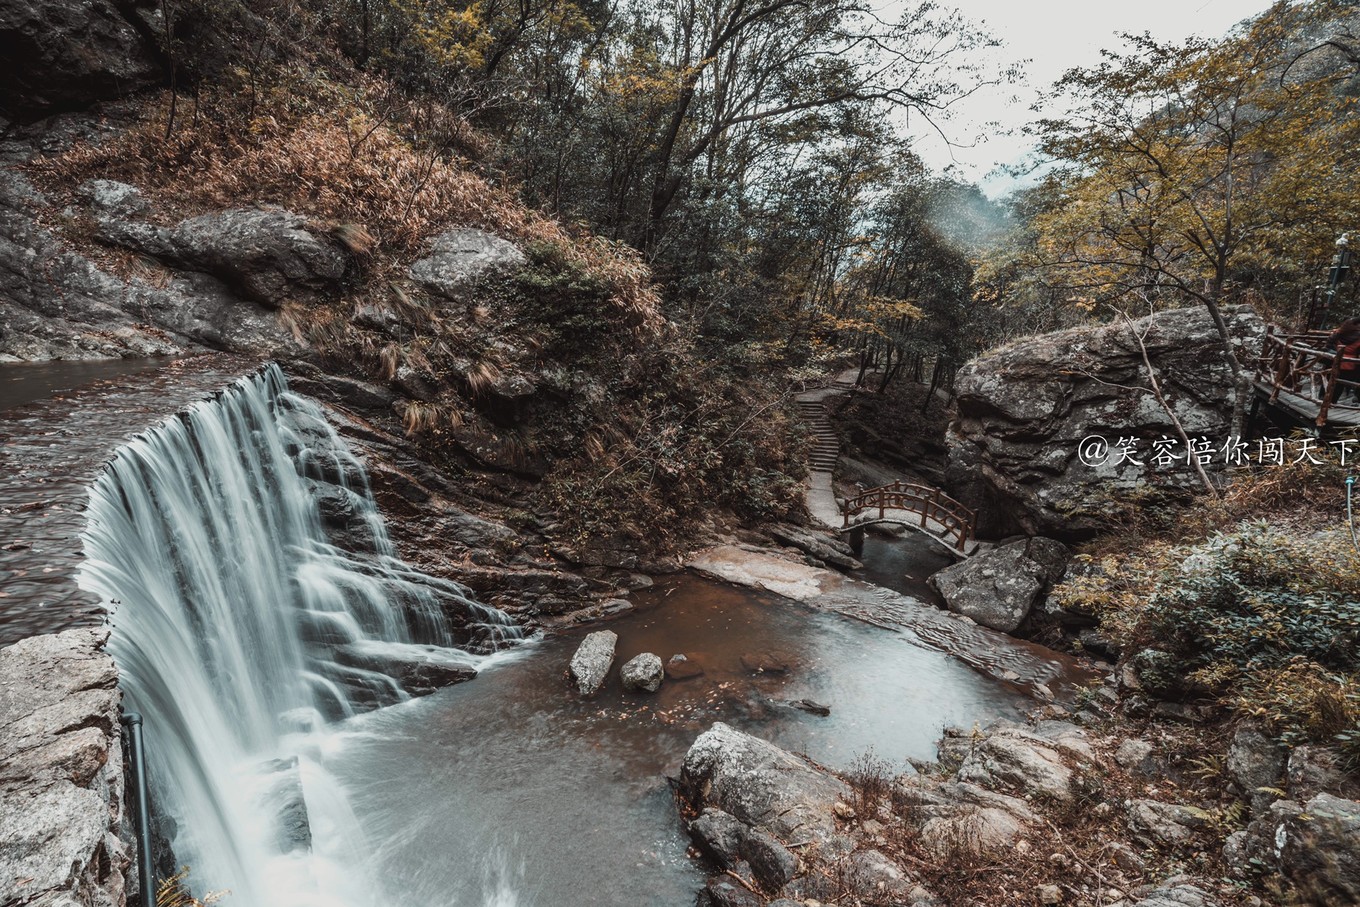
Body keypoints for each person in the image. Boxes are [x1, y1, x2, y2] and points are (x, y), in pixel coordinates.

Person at [1327, 318, 1360, 404]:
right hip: (1349, 362)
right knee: (1340, 383)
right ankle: (1334, 401)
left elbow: (1328, 345)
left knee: (1330, 379)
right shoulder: (1358, 336)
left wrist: (1336, 353)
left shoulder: (1338, 332)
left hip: (1334, 359)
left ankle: (1324, 398)